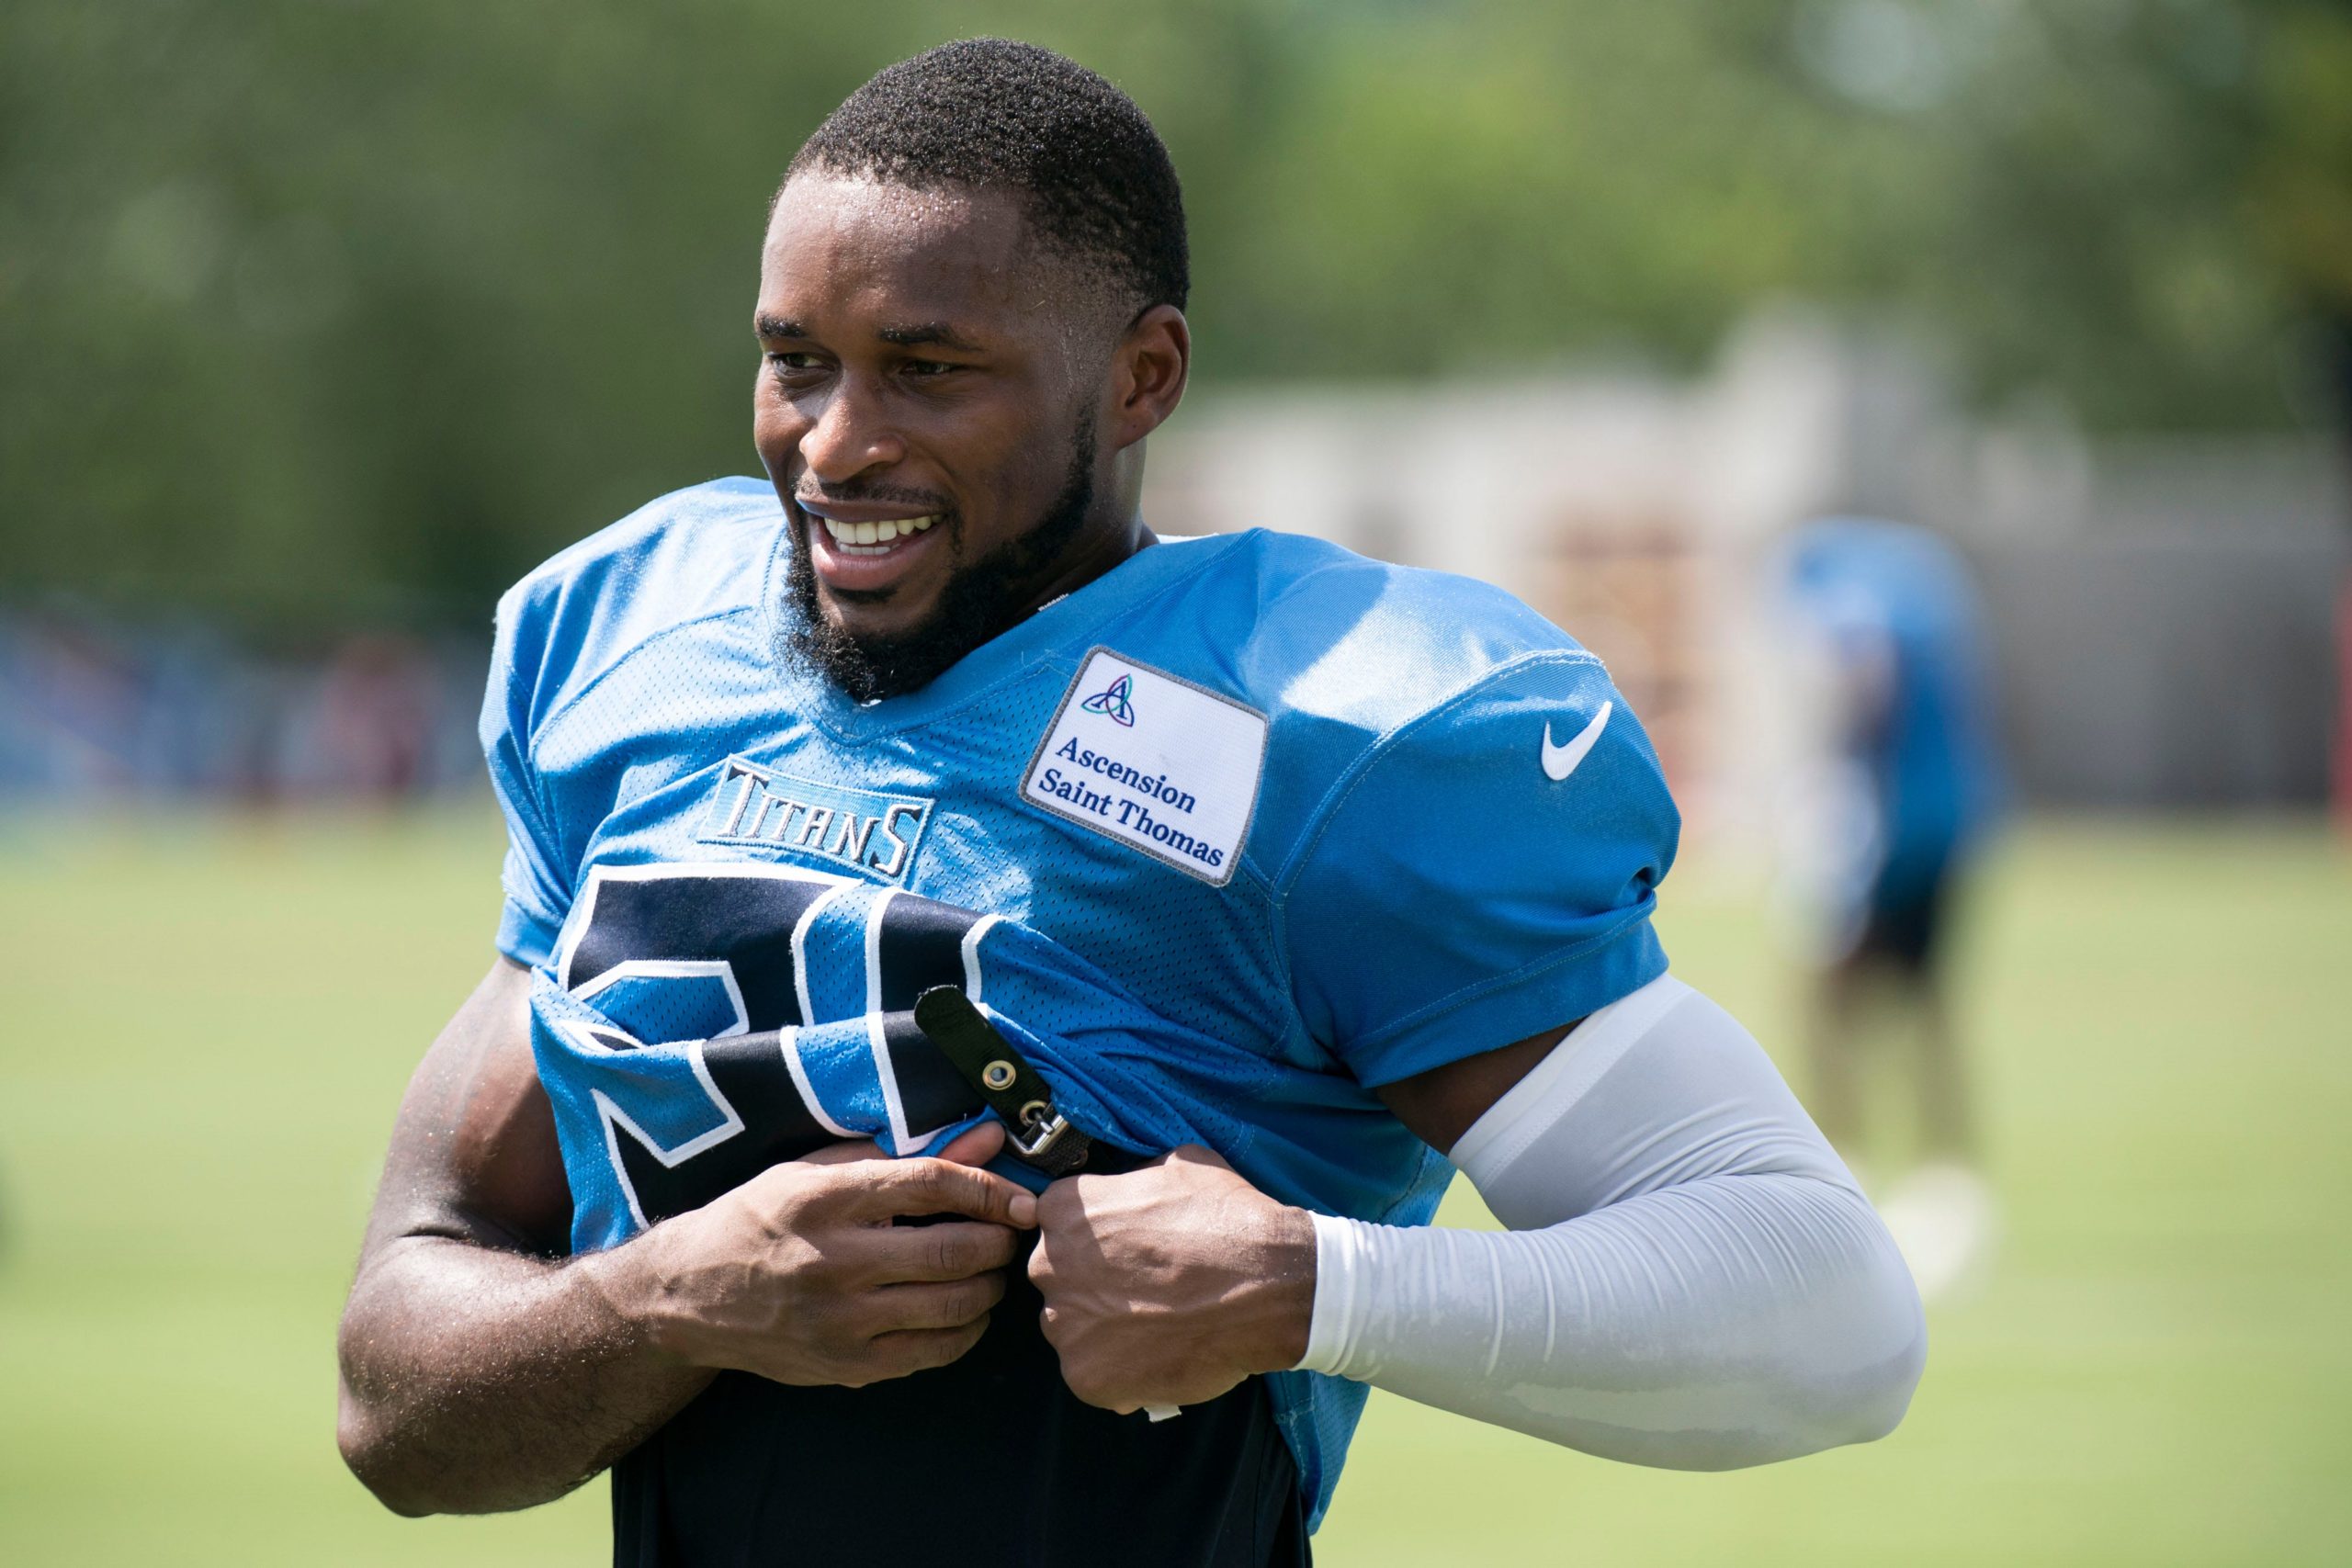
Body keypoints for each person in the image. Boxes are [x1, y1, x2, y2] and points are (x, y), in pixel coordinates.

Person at [336, 40, 1925, 1566]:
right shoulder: (636, 646)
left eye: (929, 369)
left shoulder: (1328, 733)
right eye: (796, 361)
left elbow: (1831, 1314)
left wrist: (1313, 1285)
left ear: (1143, 375)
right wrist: (668, 1298)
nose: (835, 444)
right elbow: (395, 1403)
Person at [1781, 516, 2006, 1301]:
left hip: (1894, 826)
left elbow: (1866, 676)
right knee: (1927, 1005)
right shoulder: (1919, 577)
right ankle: (1952, 1181)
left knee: (1822, 997)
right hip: (1956, 817)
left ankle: (1846, 1176)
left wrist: (1840, 775)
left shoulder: (1834, 587)